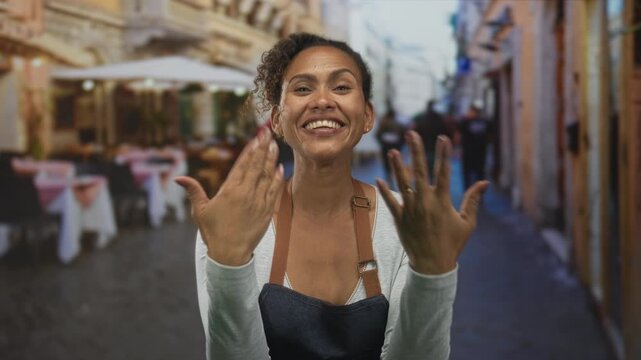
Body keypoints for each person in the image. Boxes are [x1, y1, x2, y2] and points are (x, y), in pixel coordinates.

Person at [175, 33, 489, 360]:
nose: (322, 100)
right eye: (302, 88)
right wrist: (228, 265)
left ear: (367, 116)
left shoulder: (406, 224)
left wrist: (432, 274)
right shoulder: (232, 224)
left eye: (341, 87)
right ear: (278, 120)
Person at [414, 100, 450, 179]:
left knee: (425, 169)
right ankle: (433, 185)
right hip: (436, 147)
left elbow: (417, 133)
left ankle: (428, 185)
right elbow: (445, 133)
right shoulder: (439, 118)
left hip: (424, 147)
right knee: (435, 169)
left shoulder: (422, 118)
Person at [458, 102, 490, 190]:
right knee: (468, 176)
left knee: (479, 176)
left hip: (479, 153)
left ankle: (479, 196)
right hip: (468, 153)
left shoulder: (484, 122)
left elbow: (489, 135)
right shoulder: (465, 122)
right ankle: (468, 194)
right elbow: (459, 135)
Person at [375, 108, 405, 183]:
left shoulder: (383, 123)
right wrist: (400, 145)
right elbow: (402, 136)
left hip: (385, 147)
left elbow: (377, 135)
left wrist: (382, 143)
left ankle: (389, 179)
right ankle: (395, 178)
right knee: (396, 162)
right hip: (396, 146)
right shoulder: (398, 124)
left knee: (387, 163)